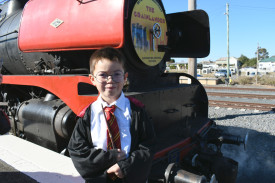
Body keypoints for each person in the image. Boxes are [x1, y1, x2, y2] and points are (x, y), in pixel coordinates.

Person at [68, 47, 156, 183]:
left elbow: (148, 145)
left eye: (116, 74)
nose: (110, 80)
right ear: (92, 79)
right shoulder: (87, 115)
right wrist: (110, 157)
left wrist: (125, 167)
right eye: (103, 75)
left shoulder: (137, 112)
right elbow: (76, 150)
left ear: (125, 77)